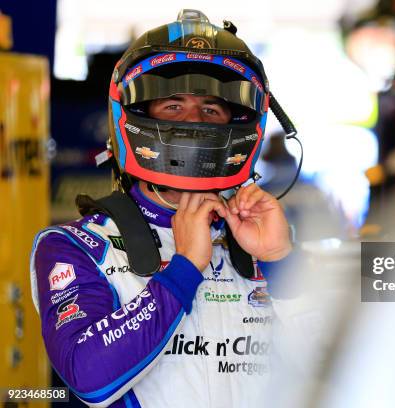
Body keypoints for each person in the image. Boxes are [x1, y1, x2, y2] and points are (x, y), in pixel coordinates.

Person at [30, 9, 293, 407]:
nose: (193, 121)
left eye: (211, 108)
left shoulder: (261, 234)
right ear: (134, 116)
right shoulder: (75, 246)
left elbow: (372, 343)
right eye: (172, 106)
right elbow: (89, 378)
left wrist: (280, 259)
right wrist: (184, 269)